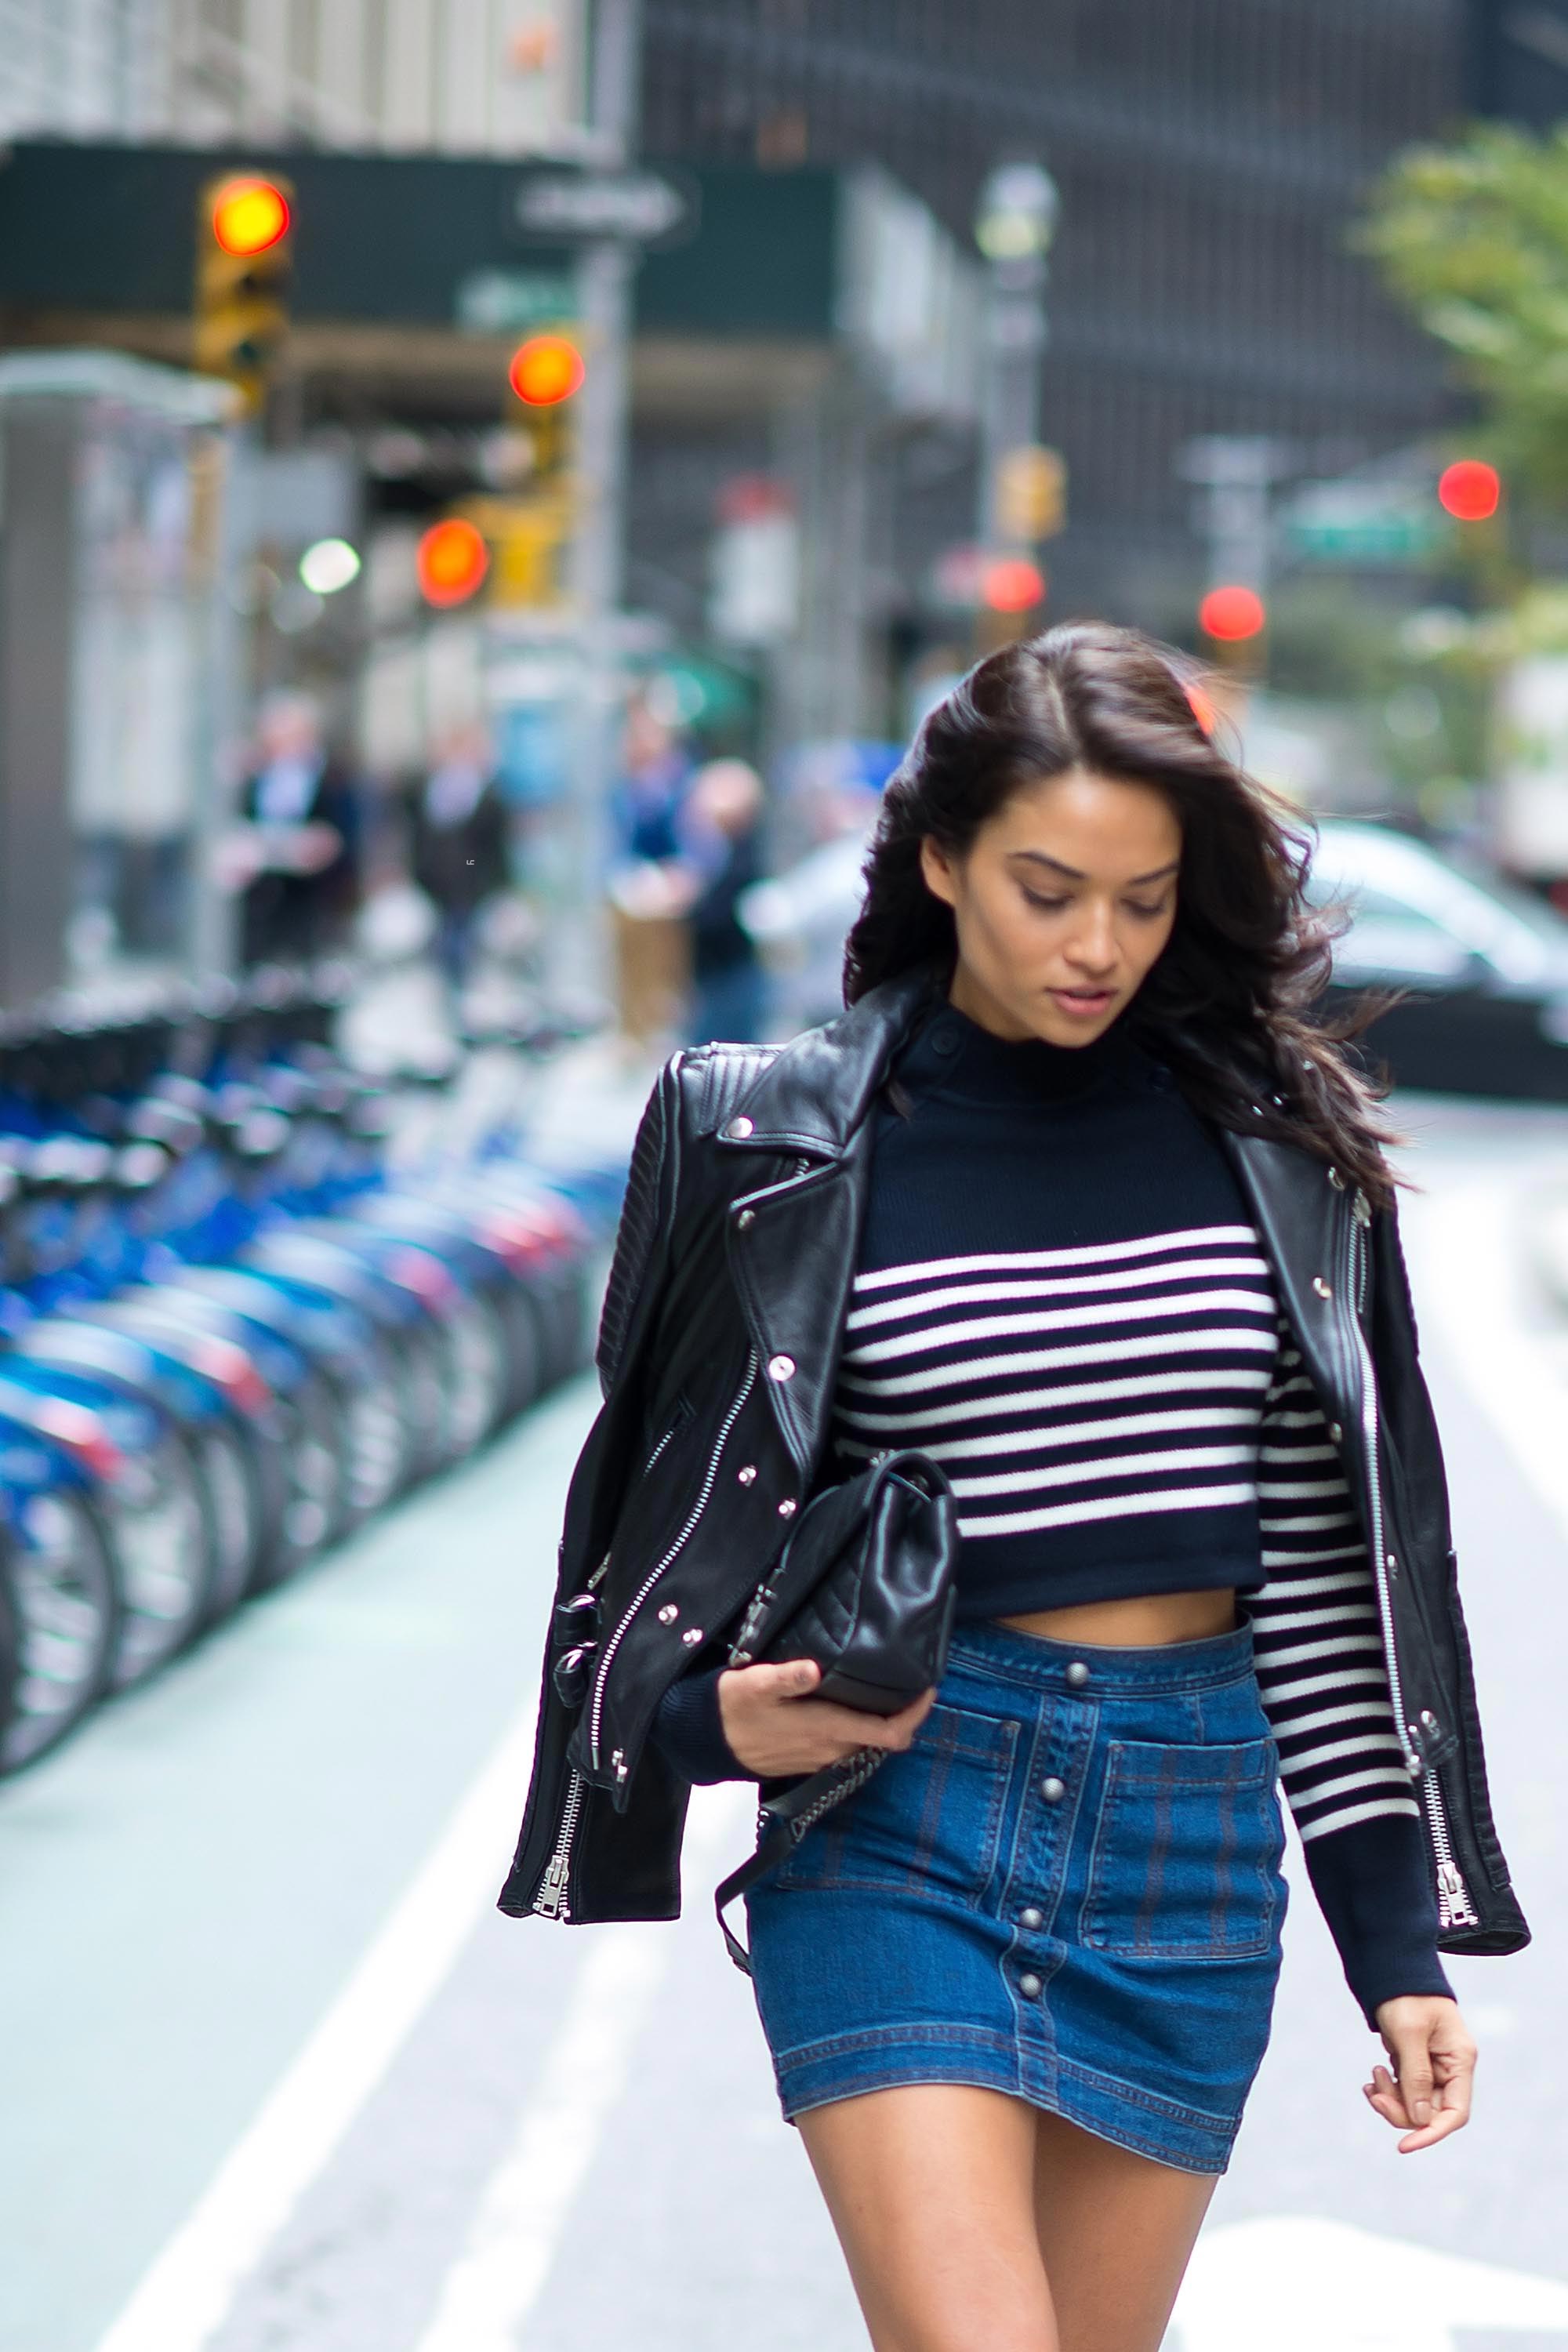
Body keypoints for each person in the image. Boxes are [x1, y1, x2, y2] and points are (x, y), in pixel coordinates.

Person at [500, 625, 1527, 2352]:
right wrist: (699, 1731)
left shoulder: (1275, 1144)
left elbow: (1318, 1596)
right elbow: (645, 1535)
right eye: (1049, 890)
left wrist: (1397, 1947)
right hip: (906, 1812)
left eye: (1141, 900)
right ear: (940, 857)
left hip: (1188, 1825)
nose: (1098, 945)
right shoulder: (775, 1141)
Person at [230, 693, 361, 967]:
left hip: (312, 898)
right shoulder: (256, 777)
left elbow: (348, 836)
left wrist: (325, 847)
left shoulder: (333, 779)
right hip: (263, 897)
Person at [410, 721, 510, 1002]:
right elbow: (423, 839)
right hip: (438, 882)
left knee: (466, 949)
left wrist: (495, 882)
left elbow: (491, 847)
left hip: (470, 880)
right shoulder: (432, 790)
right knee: (444, 950)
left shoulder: (485, 793)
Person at [680, 757, 770, 1046]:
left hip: (731, 974)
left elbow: (718, 914)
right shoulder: (716, 850)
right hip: (714, 974)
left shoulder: (743, 855)